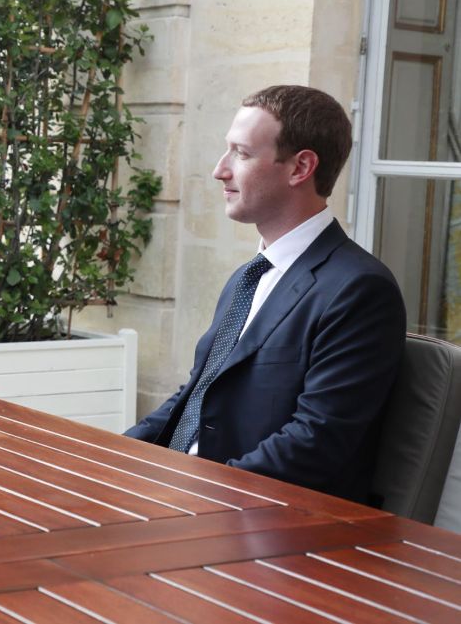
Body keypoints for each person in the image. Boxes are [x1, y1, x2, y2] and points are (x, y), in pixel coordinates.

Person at [124, 85, 406, 503]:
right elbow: (196, 394)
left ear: (300, 168)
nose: (220, 170)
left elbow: (313, 443)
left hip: (266, 526)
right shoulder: (248, 278)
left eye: (240, 153)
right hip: (192, 499)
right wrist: (115, 455)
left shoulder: (359, 290)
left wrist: (197, 492)